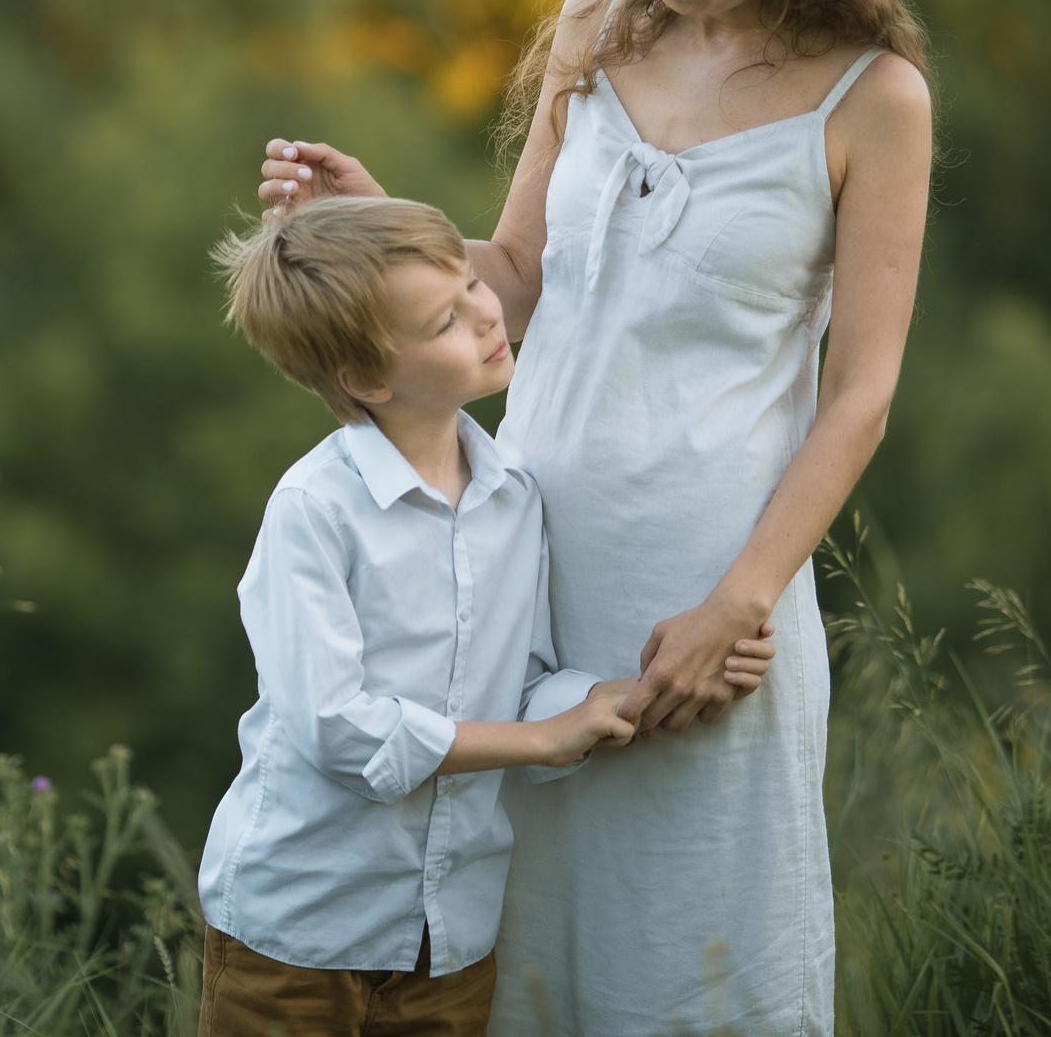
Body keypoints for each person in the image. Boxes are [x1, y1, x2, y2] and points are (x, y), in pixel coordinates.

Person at [254, 0, 934, 1035]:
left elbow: (861, 396)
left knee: (697, 952)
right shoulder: (598, 25)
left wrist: (734, 598)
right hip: (519, 552)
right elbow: (512, 277)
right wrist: (374, 224)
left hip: (710, 592)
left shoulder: (873, 99)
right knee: (521, 943)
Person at [199, 194, 779, 1037]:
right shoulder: (314, 510)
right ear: (366, 378)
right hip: (299, 933)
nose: (483, 313)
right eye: (444, 320)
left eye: (472, 283)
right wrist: (542, 739)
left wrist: (627, 696)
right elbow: (337, 729)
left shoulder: (516, 499)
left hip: (453, 937)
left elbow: (528, 685)